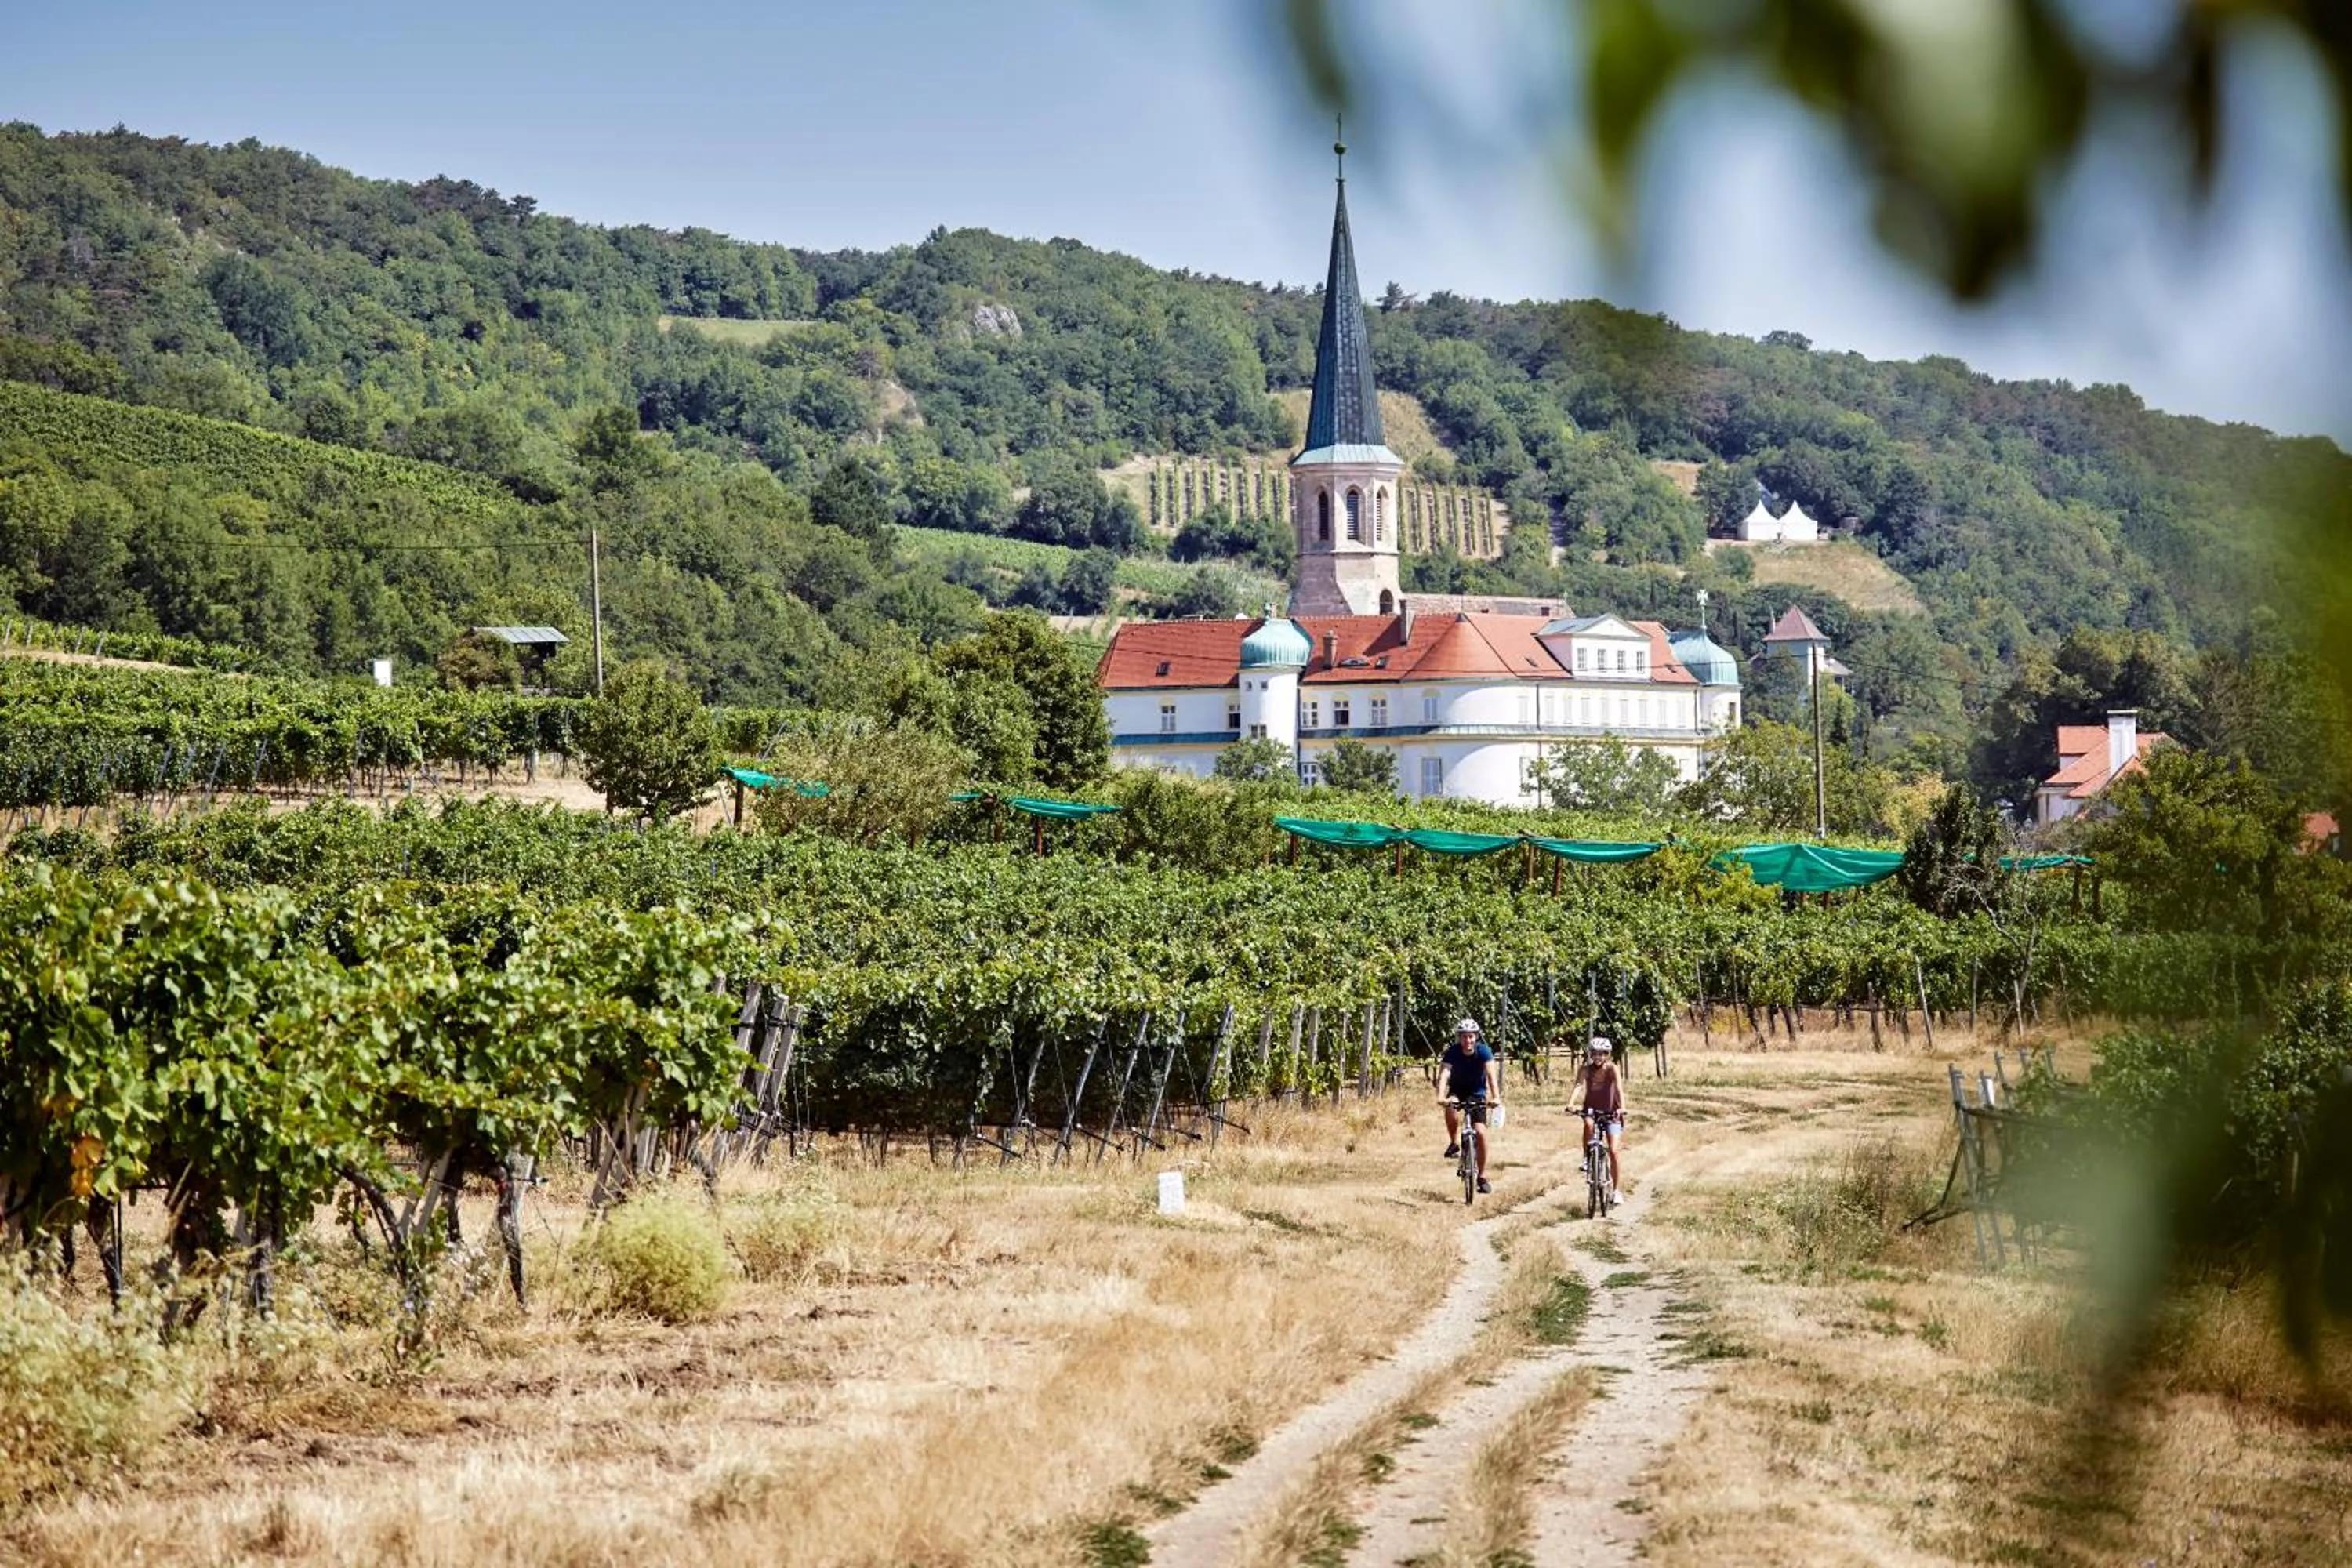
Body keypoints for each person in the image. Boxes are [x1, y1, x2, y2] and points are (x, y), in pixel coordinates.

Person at [1439, 1018, 1502, 1194]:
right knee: (1451, 1107)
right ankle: (1454, 1143)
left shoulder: (1484, 1052)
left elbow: (1491, 1075)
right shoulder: (1452, 1052)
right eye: (1465, 1037)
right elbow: (1444, 1074)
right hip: (1457, 1091)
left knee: (1481, 1133)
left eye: (1471, 1037)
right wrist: (1441, 1096)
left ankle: (1482, 1177)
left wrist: (1496, 1097)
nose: (1468, 1041)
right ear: (1460, 1038)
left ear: (1476, 1037)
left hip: (1477, 1094)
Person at [1567, 1035, 1626, 1202]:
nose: (1598, 1057)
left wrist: (1622, 1108)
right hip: (1591, 1110)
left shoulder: (1612, 1069)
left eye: (1602, 1053)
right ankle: (1587, 1158)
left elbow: (1620, 1089)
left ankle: (1616, 1191)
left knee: (1614, 1151)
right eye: (1594, 1053)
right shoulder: (1586, 1070)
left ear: (1608, 1054)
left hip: (1612, 1113)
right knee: (1588, 1123)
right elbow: (1578, 1086)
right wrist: (1570, 1103)